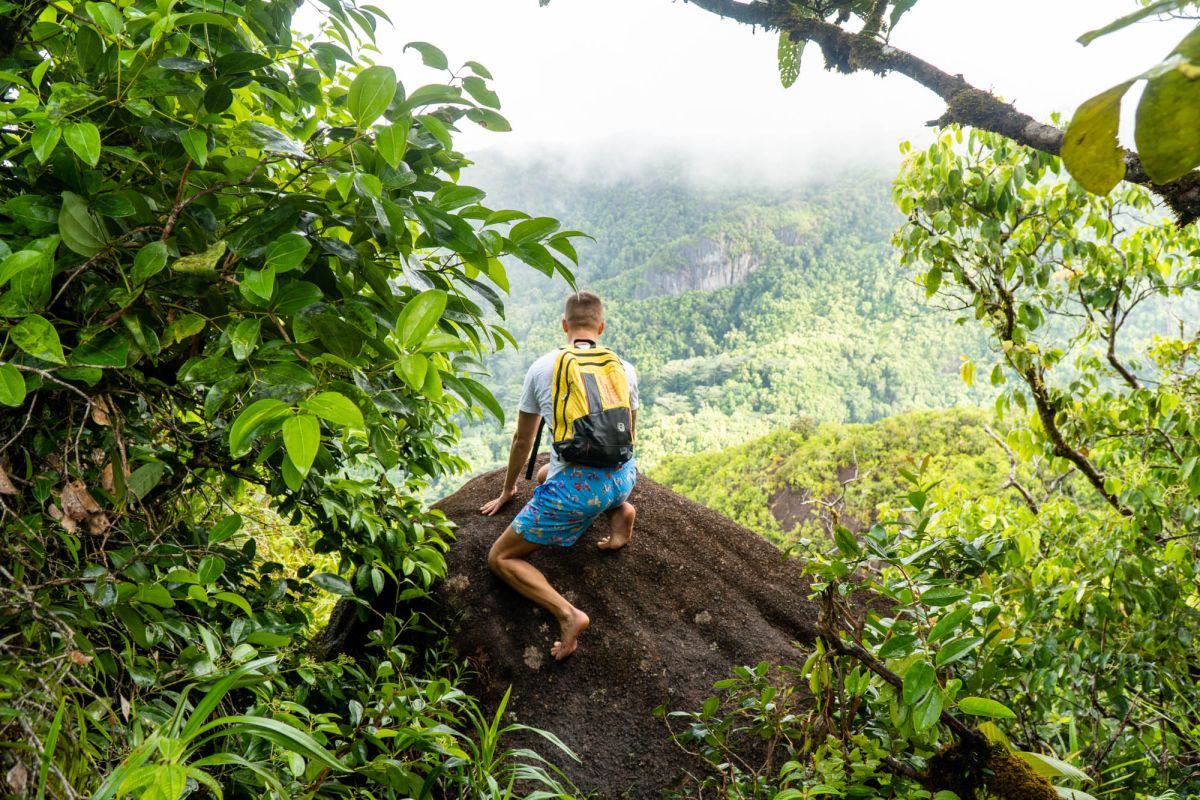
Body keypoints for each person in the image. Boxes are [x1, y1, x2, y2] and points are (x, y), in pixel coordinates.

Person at [480, 291, 638, 661]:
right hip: (623, 476)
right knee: (546, 473)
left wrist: (507, 490)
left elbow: (524, 439)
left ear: (565, 326)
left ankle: (568, 615)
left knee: (500, 559)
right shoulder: (623, 367)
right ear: (600, 326)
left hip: (578, 494)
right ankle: (620, 510)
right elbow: (630, 432)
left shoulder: (542, 368)